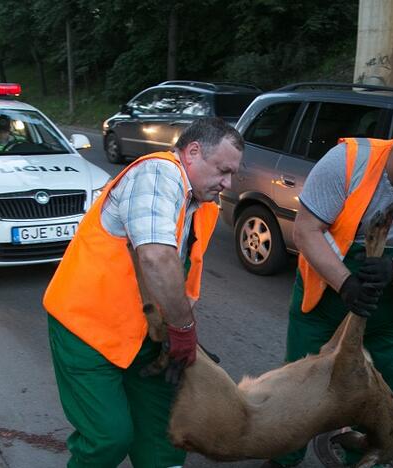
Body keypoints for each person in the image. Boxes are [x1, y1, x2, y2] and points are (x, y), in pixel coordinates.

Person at [264, 111, 393, 468]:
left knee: (379, 401)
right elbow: (306, 231)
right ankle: (283, 460)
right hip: (323, 302)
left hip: (389, 316)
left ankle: (361, 460)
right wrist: (344, 282)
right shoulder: (347, 162)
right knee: (298, 390)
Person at [42, 117, 243, 467]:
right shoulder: (158, 174)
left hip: (144, 334)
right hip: (86, 330)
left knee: (163, 436)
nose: (227, 183)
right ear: (193, 152)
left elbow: (178, 274)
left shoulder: (202, 204)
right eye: (223, 170)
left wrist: (170, 328)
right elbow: (156, 256)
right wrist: (183, 330)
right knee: (107, 437)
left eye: (232, 174)